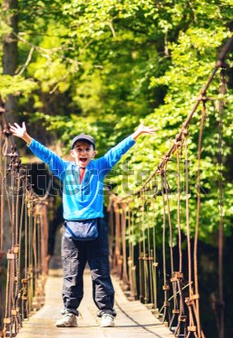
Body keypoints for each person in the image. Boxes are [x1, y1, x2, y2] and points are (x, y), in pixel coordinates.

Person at [9, 121, 157, 327]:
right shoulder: (63, 169)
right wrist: (26, 137)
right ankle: (70, 313)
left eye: (87, 149)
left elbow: (117, 152)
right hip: (71, 229)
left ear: (93, 153)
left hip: (96, 226)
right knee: (71, 273)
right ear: (72, 153)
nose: (83, 152)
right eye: (79, 149)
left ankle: (107, 312)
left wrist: (137, 134)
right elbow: (46, 155)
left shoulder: (100, 167)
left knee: (100, 271)